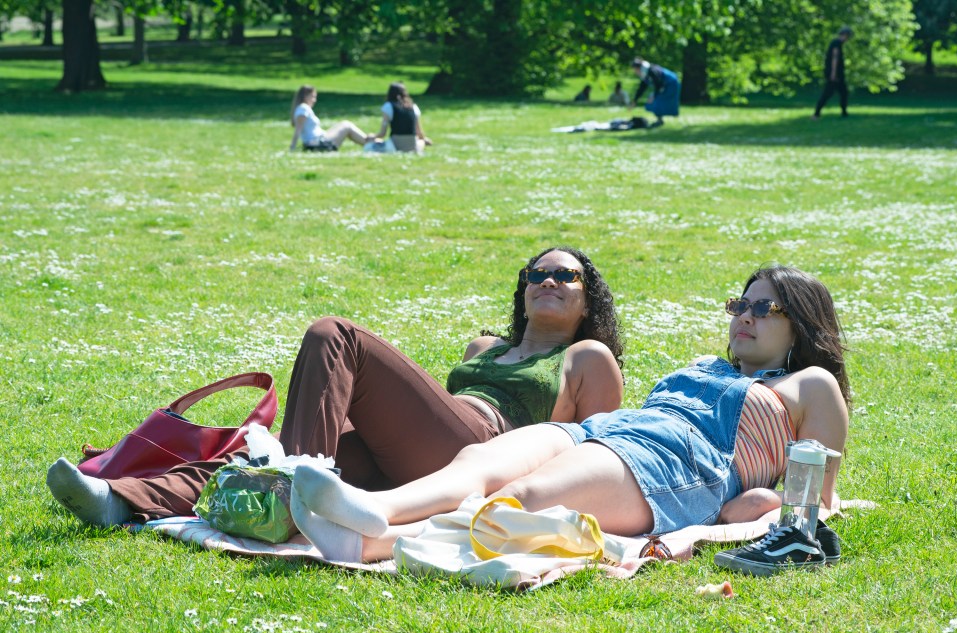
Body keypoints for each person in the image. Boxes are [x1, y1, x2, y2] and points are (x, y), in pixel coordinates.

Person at [290, 265, 850, 574]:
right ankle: (372, 509)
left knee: (525, 496)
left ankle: (371, 543)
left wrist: (737, 520)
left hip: (674, 464)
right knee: (478, 462)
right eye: (739, 306)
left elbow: (815, 508)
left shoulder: (808, 386)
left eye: (763, 309)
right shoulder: (706, 365)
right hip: (607, 431)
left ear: (799, 323)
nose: (744, 317)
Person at [46, 247, 626, 528]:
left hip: (490, 449)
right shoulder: (486, 348)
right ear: (523, 290)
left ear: (586, 297)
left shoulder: (586, 357)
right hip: (428, 449)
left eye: (564, 276)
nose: (547, 281)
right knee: (257, 451)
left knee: (335, 335)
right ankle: (125, 501)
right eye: (536, 274)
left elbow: (596, 447)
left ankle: (289, 490)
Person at [289, 84, 371, 152]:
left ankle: (369, 142)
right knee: (347, 125)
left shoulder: (302, 108)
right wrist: (292, 148)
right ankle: (371, 144)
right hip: (317, 144)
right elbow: (298, 130)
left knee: (344, 124)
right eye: (312, 97)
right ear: (305, 96)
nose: (314, 100)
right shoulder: (303, 108)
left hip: (318, 141)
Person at [368, 82, 433, 154]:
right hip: (412, 146)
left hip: (395, 146)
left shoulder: (388, 106)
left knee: (373, 142)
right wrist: (424, 139)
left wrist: (373, 136)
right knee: (421, 141)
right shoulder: (413, 107)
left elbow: (383, 134)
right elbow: (419, 133)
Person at [812, 27, 853, 120]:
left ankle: (844, 113)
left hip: (837, 74)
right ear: (845, 35)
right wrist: (833, 73)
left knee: (843, 93)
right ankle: (816, 113)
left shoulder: (838, 44)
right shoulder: (836, 43)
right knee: (827, 93)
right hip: (835, 74)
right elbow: (835, 58)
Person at [631, 57, 681, 128]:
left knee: (657, 100)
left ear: (638, 68)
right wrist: (635, 100)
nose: (635, 72)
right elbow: (642, 88)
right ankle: (659, 119)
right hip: (665, 84)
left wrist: (654, 95)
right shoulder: (646, 72)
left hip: (671, 82)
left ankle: (659, 121)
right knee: (654, 100)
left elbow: (658, 84)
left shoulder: (652, 70)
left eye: (635, 70)